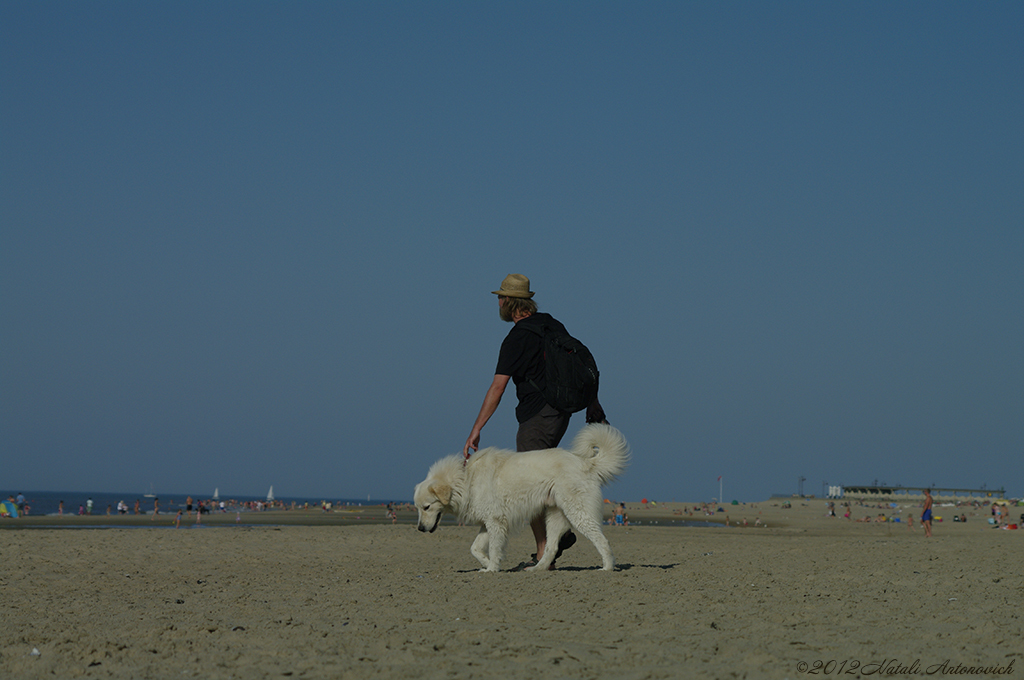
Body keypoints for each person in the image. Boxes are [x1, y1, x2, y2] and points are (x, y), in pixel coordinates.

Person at [463, 274, 608, 567]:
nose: (498, 303)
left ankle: (545, 553)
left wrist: (477, 428)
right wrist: (592, 403)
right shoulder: (552, 324)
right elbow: (577, 366)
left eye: (500, 298)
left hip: (537, 416)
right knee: (546, 481)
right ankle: (555, 540)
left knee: (530, 485)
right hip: (561, 411)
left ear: (508, 302)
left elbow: (497, 387)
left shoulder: (516, 338)